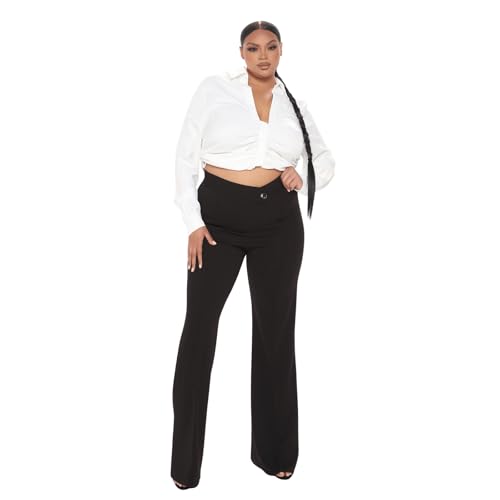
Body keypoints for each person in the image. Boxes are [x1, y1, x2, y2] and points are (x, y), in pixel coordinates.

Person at [171, 20, 336, 489]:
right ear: (241, 53)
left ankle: (276, 453)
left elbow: (324, 160)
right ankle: (185, 464)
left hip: (279, 225)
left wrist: (300, 174)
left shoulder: (294, 105)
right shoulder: (214, 90)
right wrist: (193, 222)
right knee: (199, 331)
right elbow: (185, 157)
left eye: (271, 47)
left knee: (275, 334)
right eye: (253, 47)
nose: (262, 55)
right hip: (218, 221)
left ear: (281, 52)